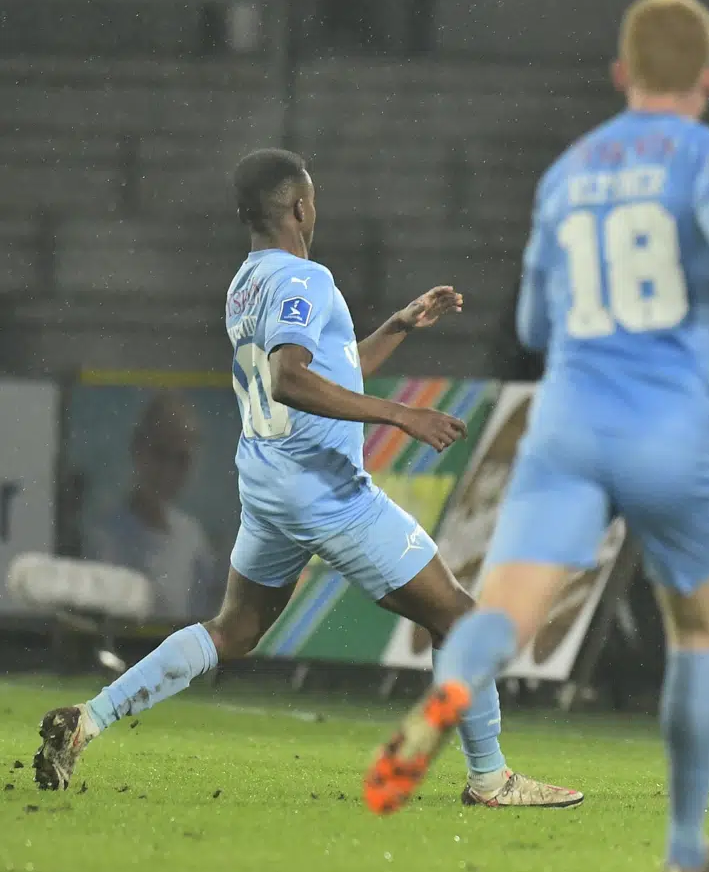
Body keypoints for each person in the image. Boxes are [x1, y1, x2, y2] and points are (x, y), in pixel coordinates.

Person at [361, 0, 709, 872]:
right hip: (673, 427)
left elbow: (534, 321)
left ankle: (443, 702)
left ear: (619, 75)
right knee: (699, 635)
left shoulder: (566, 172)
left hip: (570, 421)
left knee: (502, 611)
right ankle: (685, 852)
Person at [34, 148, 583, 811]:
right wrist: (399, 413)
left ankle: (87, 718)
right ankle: (491, 779)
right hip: (325, 490)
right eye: (313, 199)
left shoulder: (248, 282)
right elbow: (289, 377)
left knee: (233, 630)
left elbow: (327, 367)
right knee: (461, 618)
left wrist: (397, 327)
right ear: (299, 206)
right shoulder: (305, 280)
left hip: (270, 485)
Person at [86, 392, 222, 624]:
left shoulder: (193, 538)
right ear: (136, 450)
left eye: (181, 459)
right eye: (160, 453)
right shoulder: (102, 537)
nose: (169, 471)